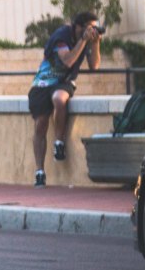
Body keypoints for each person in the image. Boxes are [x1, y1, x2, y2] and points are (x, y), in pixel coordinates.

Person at [29, 11, 102, 187]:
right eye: (90, 27)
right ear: (79, 27)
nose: (92, 31)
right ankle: (40, 171)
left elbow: (94, 66)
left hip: (64, 82)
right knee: (41, 124)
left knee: (60, 99)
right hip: (42, 83)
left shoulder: (86, 39)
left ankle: (59, 142)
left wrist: (96, 42)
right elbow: (68, 61)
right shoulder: (61, 36)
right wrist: (83, 40)